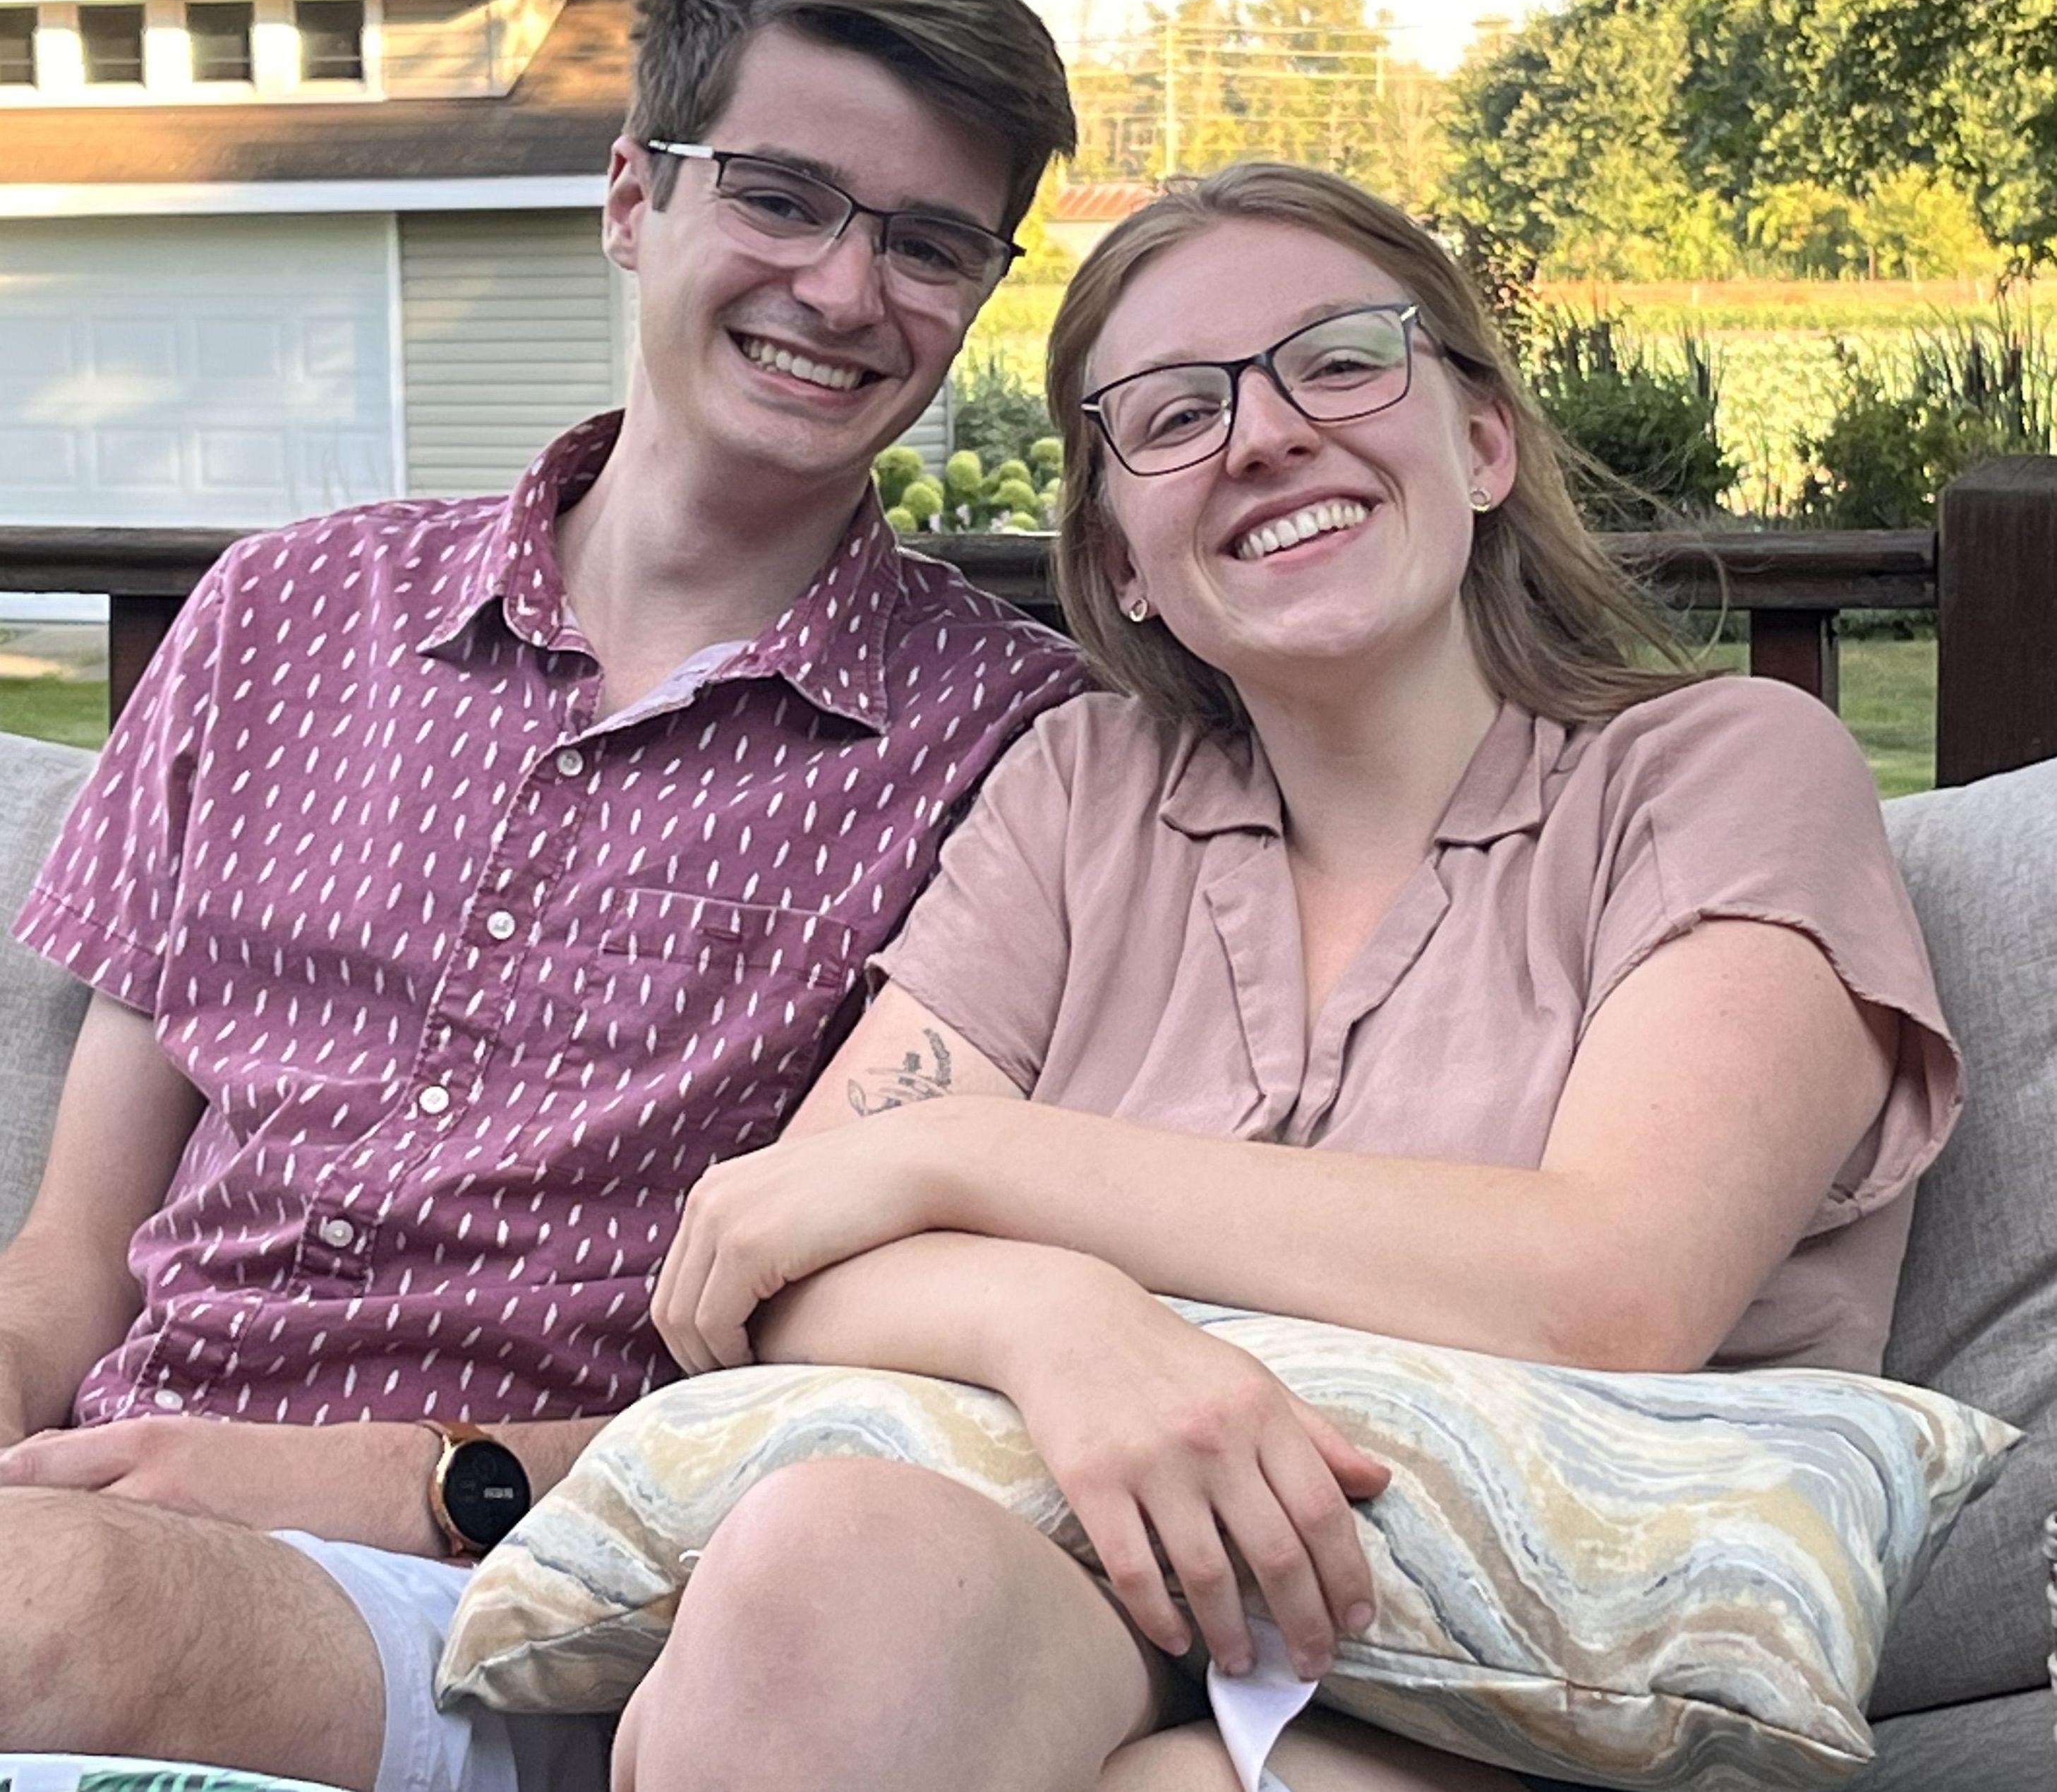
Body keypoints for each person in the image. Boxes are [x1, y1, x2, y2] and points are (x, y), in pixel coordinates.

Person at [618, 163, 1960, 1792]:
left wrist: (975, 1155)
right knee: (823, 1575)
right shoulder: (1080, 798)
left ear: (1482, 444)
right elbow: (779, 1254)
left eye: (1339, 361)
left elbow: (1612, 1287)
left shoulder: (1718, 772)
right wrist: (1057, 1320)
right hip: (1112, 1598)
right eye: (1177, 415)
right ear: (1122, 556)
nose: (1263, 435)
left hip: (1540, 1694)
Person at [0, 0, 1085, 1792]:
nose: (844, 290)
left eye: (927, 243)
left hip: (541, 1596)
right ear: (632, 198)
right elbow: (68, 1264)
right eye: (783, 198)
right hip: (102, 1499)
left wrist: (398, 1482)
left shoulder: (1016, 754)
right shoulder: (279, 616)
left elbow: (870, 1399)